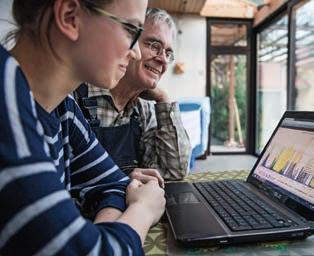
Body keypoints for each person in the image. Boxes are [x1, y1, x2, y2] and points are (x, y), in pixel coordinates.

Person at [0, 0, 166, 255]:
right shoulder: (5, 105)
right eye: (131, 30)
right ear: (70, 17)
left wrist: (103, 235)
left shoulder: (62, 108)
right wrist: (143, 210)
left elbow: (117, 184)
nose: (136, 52)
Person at [75, 8, 192, 181]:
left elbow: (175, 170)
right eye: (154, 46)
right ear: (128, 42)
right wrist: (125, 178)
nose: (163, 60)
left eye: (168, 53)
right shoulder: (75, 97)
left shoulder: (144, 110)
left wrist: (163, 99)